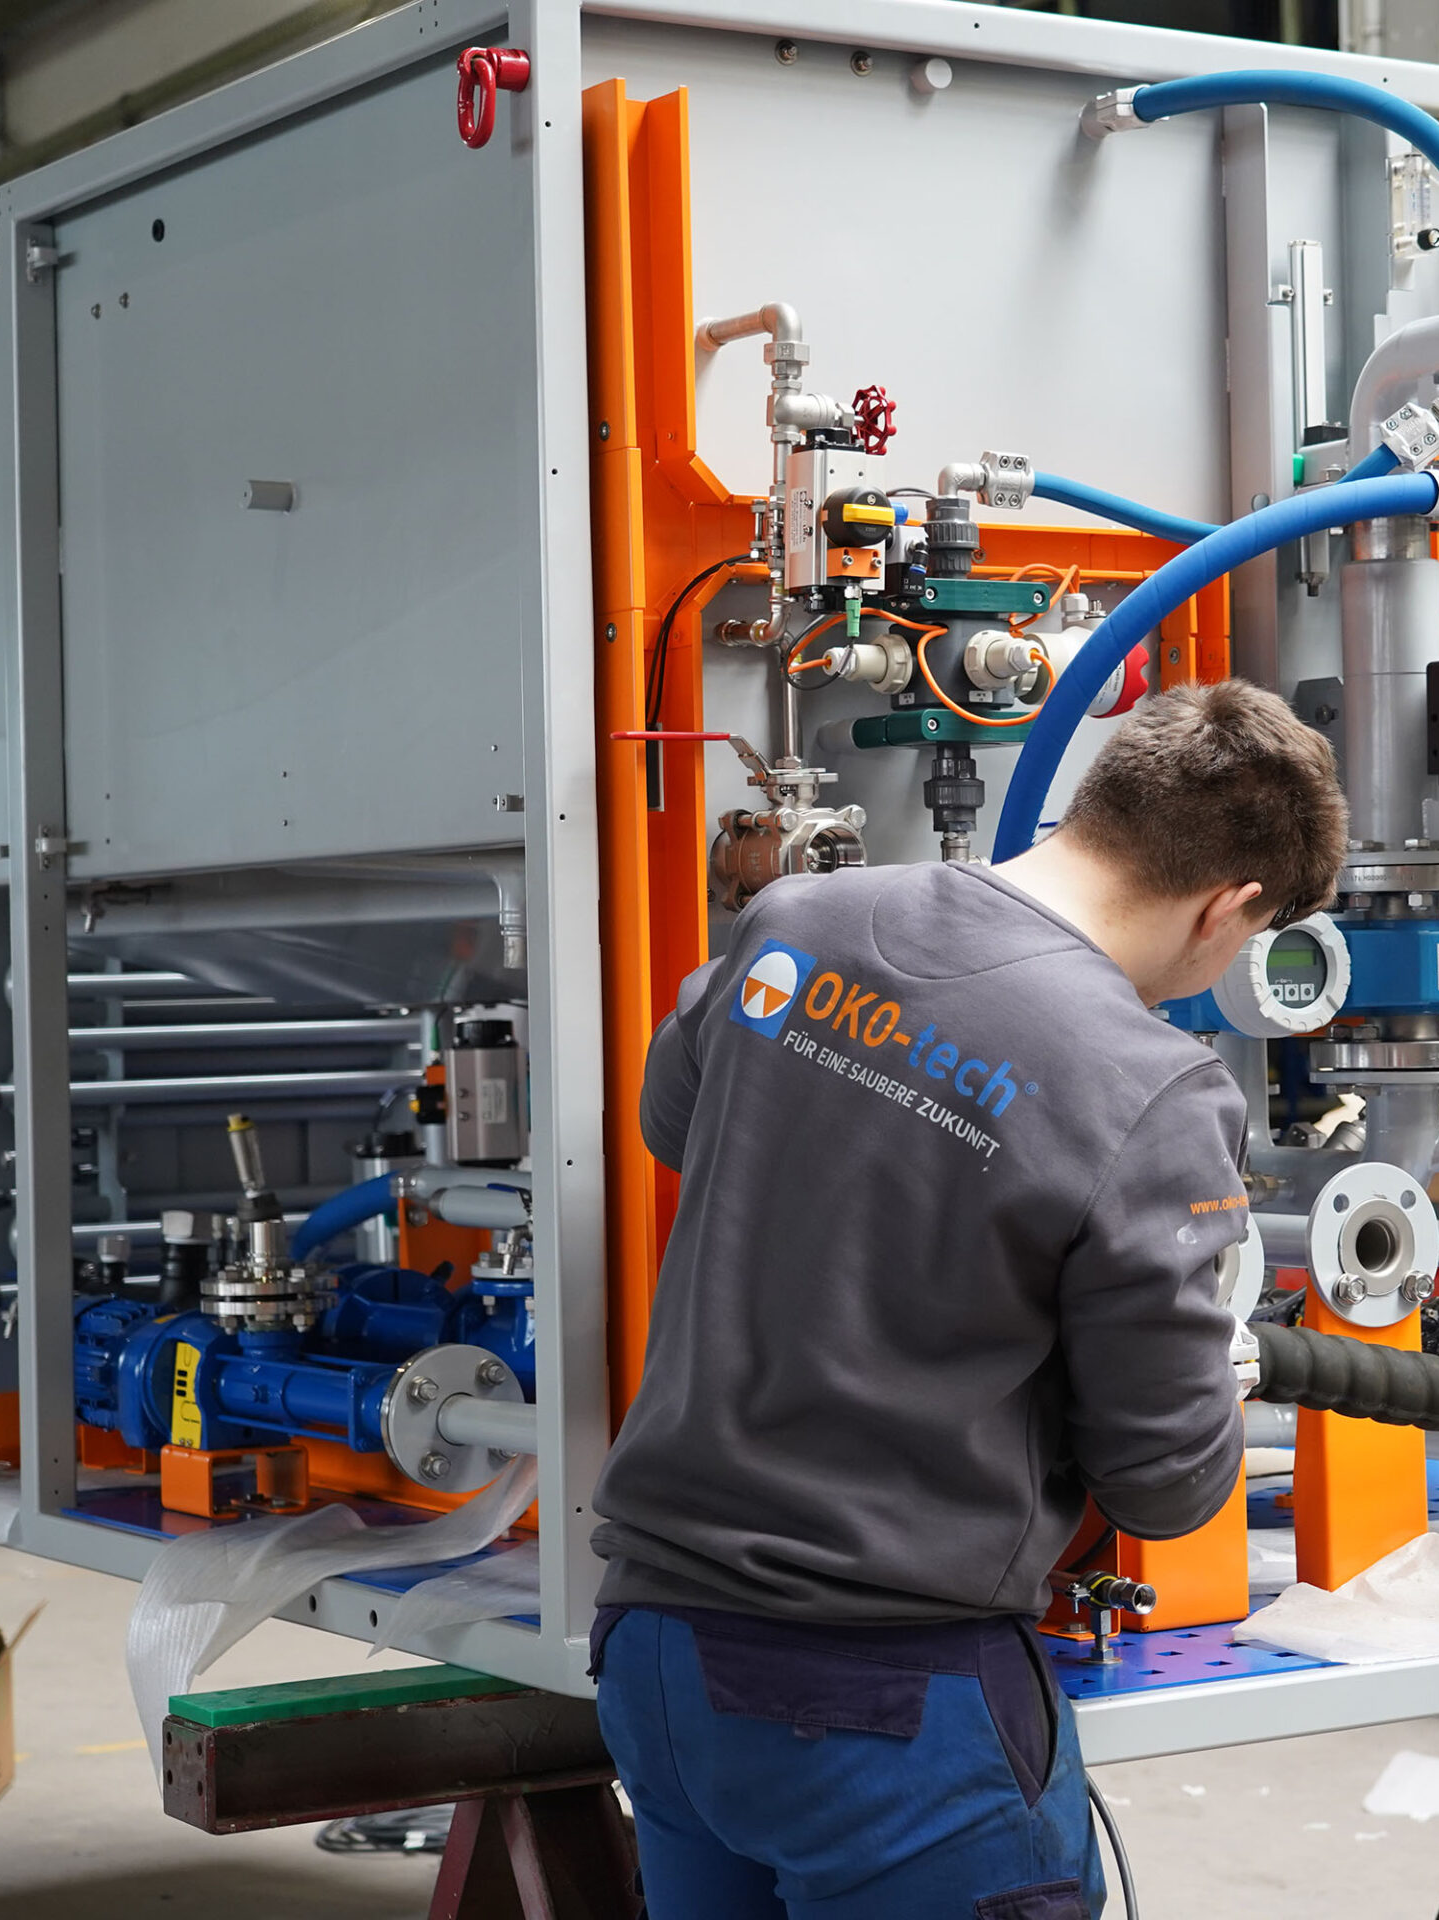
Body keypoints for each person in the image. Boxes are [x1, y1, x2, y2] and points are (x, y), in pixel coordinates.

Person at [589, 680, 1349, 1918]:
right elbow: (1163, 1481)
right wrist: (1219, 1367)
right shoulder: (1149, 1084)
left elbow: (675, 1119)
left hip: (658, 1659)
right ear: (1230, 907)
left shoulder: (803, 919)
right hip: (886, 1702)